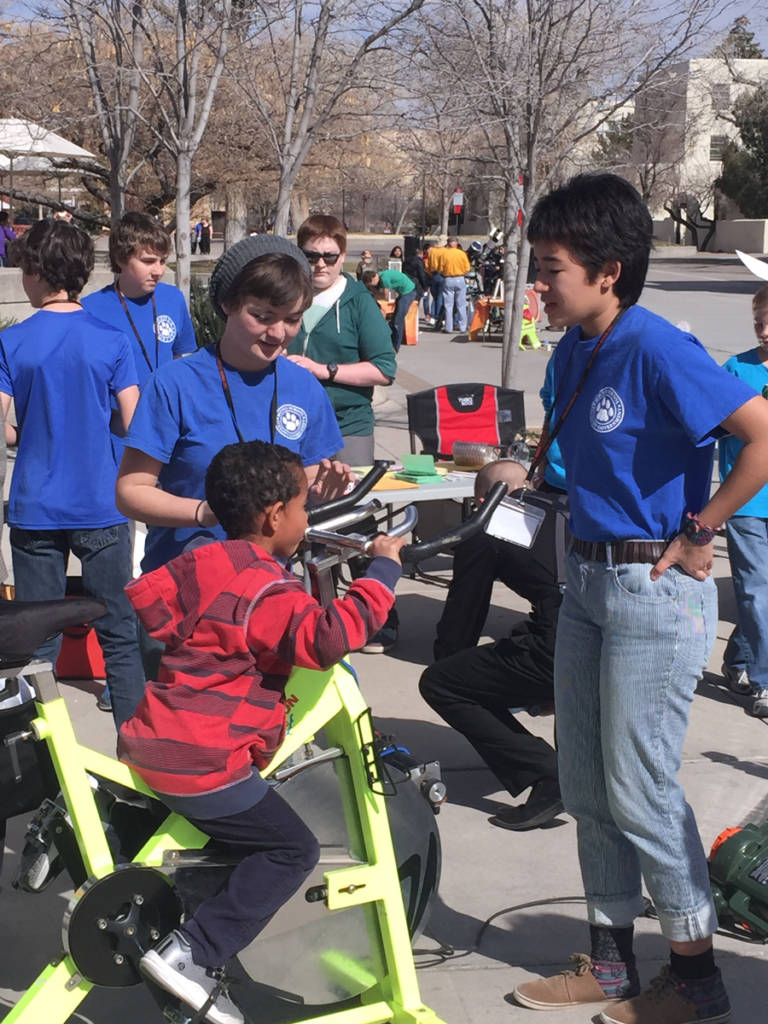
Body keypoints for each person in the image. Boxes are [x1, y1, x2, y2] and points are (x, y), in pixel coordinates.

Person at [512, 172, 768, 1024]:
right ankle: (613, 964)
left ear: (608, 270)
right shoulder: (574, 350)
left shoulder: (659, 348)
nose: (539, 285)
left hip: (649, 592)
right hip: (585, 581)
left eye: (551, 269)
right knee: (587, 785)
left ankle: (696, 978)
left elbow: (761, 437)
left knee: (641, 787)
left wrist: (703, 528)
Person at [121, 439, 406, 1024]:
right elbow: (327, 639)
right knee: (291, 848)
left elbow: (180, 617)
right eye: (302, 508)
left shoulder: (209, 563)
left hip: (154, 737)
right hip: (203, 758)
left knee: (240, 834)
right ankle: (192, 952)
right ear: (275, 516)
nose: (305, 519)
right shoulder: (267, 590)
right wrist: (383, 570)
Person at [115, 235, 353, 676]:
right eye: (262, 317)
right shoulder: (175, 384)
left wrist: (322, 490)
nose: (277, 333)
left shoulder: (303, 387)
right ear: (227, 304)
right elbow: (131, 491)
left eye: (292, 319)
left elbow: (304, 486)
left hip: (271, 599)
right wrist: (205, 512)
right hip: (187, 598)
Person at [0, 219, 145, 728]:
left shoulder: (12, 342)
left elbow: (3, 427)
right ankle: (136, 751)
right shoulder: (112, 340)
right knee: (119, 632)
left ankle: (41, 753)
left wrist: (31, 429)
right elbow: (134, 422)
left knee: (35, 644)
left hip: (35, 507)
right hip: (101, 503)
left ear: (38, 272)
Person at [420, 460, 563, 831]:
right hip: (609, 634)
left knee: (441, 683)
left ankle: (547, 774)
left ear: (482, 500)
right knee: (527, 637)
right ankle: (583, 772)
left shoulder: (488, 524)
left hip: (560, 644)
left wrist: (449, 666)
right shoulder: (563, 507)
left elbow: (463, 617)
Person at [285, 214, 396, 467]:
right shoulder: (286, 297)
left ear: (343, 256)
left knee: (350, 492)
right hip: (290, 425)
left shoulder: (359, 302)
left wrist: (324, 370)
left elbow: (384, 370)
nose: (320, 264)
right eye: (311, 256)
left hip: (347, 427)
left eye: (330, 257)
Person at [718, 283, 768, 718]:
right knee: (756, 590)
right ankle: (765, 682)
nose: (764, 331)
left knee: (762, 596)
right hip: (747, 500)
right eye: (758, 323)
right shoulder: (736, 369)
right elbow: (709, 424)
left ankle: (738, 658)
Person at [83, 211, 197, 392]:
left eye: (162, 261)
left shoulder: (173, 298)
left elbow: (180, 358)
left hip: (165, 405)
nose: (158, 271)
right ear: (121, 259)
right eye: (148, 261)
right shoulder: (90, 310)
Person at [361, 267, 417, 352]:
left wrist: (379, 303)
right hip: (402, 293)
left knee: (398, 320)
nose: (372, 286)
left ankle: (395, 346)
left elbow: (385, 296)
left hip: (408, 292)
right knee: (393, 320)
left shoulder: (384, 278)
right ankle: (390, 342)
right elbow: (377, 293)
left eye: (371, 284)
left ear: (374, 278)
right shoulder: (380, 276)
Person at [437, 237, 471, 334]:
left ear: (448, 244)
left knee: (448, 305)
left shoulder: (444, 254)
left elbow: (440, 268)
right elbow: (467, 268)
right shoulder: (462, 254)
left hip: (448, 279)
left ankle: (449, 328)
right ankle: (462, 327)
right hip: (460, 278)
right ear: (456, 243)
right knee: (461, 304)